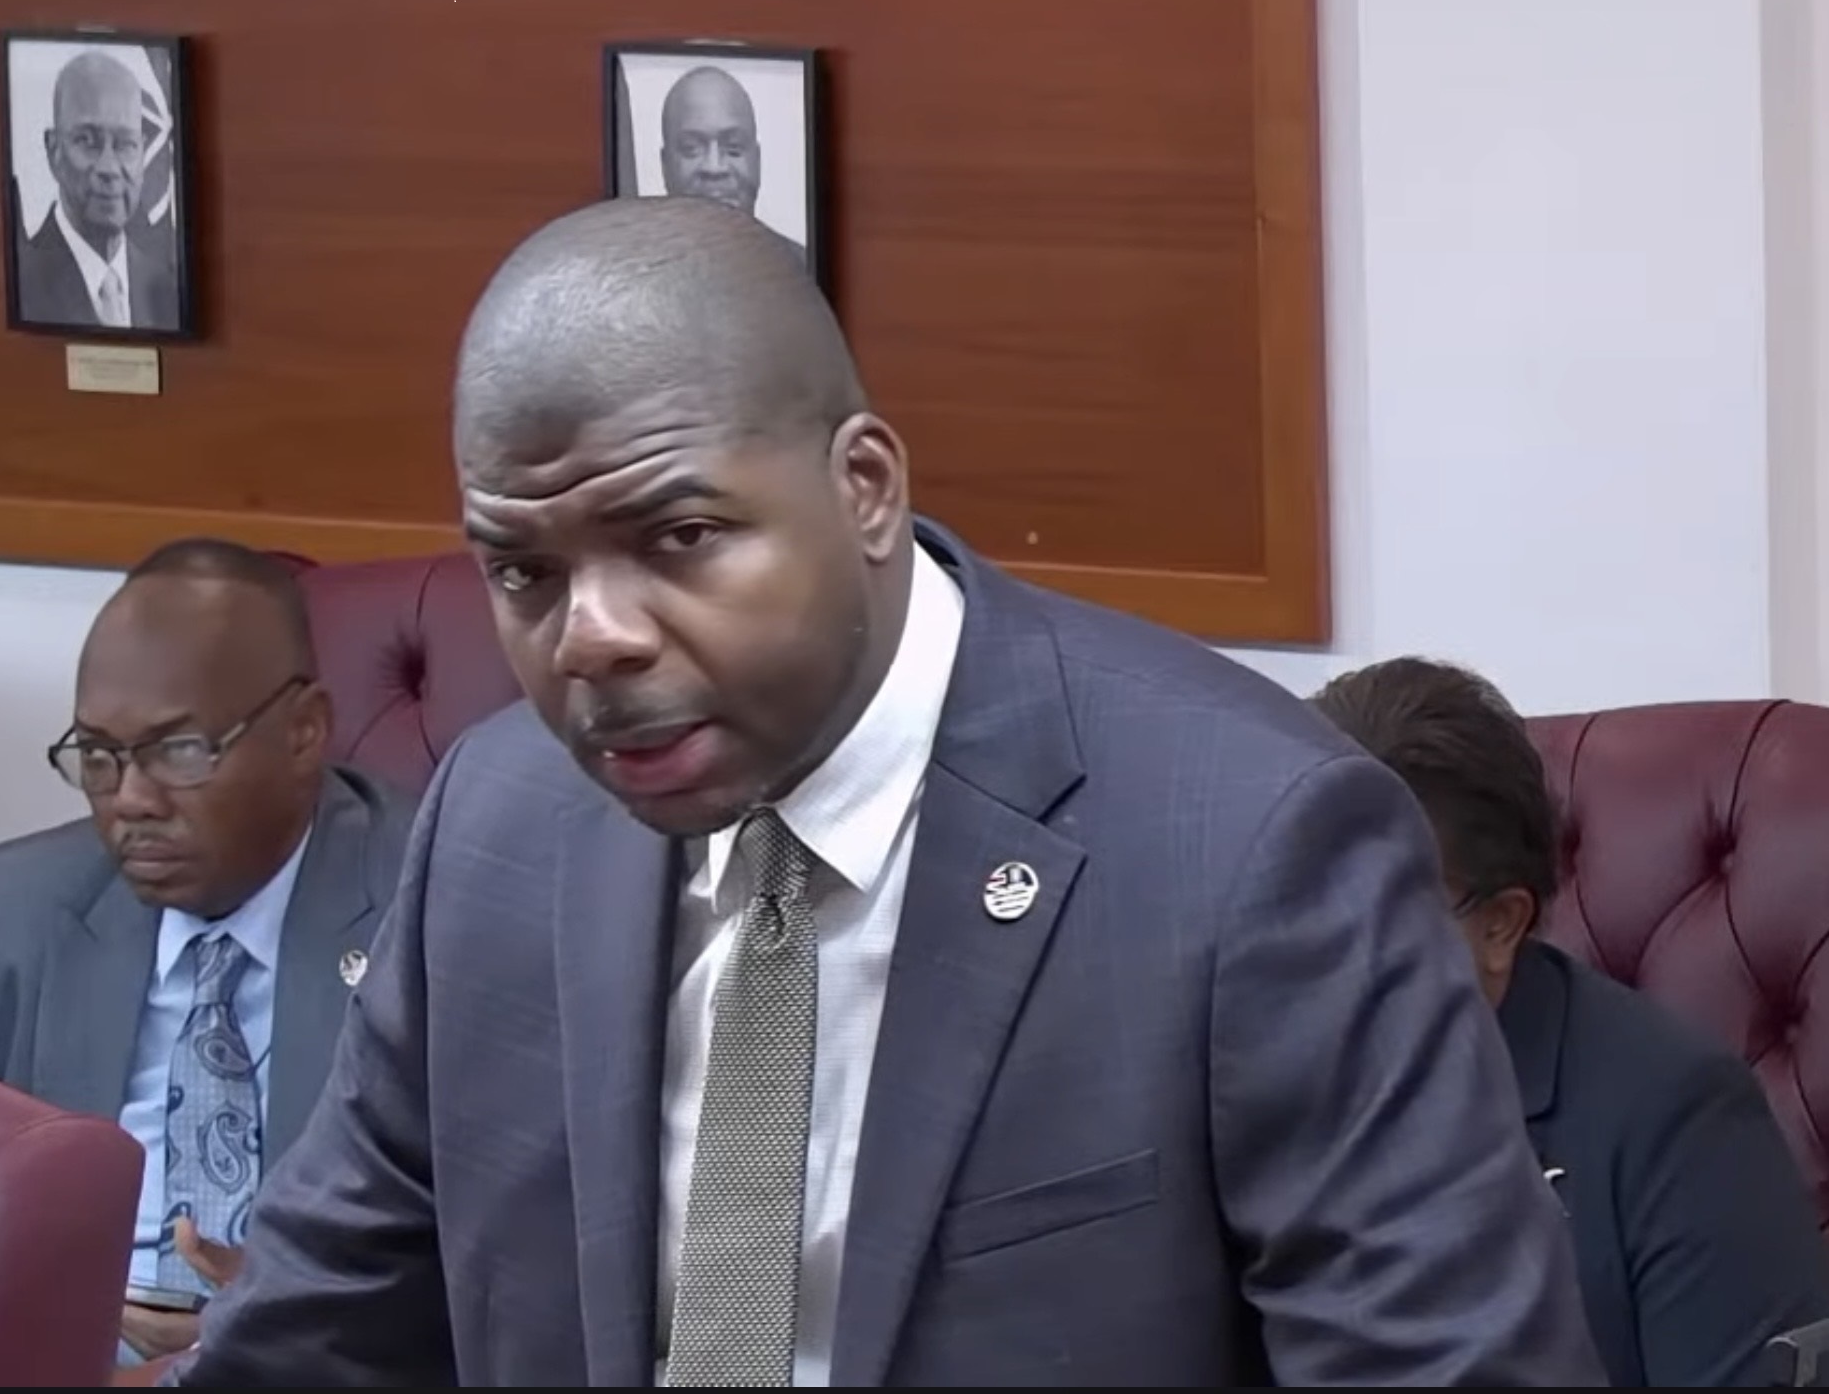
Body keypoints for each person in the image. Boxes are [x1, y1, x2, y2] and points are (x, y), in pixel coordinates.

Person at [165, 198, 1603, 1386]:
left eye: (677, 534)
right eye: (522, 571)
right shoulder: (500, 824)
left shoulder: (1248, 849)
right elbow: (307, 1333)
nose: (588, 637)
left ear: (862, 487)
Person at [0, 537, 414, 1365]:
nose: (132, 800)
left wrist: (287, 1310)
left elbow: (497, 1243)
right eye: (99, 756)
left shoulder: (427, 901)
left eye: (180, 751)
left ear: (304, 731)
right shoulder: (18, 906)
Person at [1312, 655, 1829, 1387]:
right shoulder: (1235, 1067)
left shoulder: (1677, 1120)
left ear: (1499, 925)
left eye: (1371, 915)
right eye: (1297, 898)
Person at [14, 48, 179, 332]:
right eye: (88, 141)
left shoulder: (168, 290)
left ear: (142, 150)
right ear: (53, 151)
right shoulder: (20, 285)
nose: (109, 168)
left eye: (125, 144)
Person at [656, 64, 807, 265]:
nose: (714, 167)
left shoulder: (803, 270)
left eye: (733, 148)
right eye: (691, 148)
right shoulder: (629, 273)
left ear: (757, 161)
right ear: (665, 166)